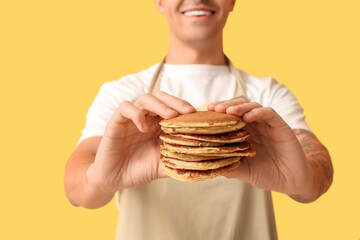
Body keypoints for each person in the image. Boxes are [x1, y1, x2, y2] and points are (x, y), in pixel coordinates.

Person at [65, 0, 333, 239]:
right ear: (159, 2)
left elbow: (318, 168)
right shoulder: (123, 96)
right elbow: (76, 187)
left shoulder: (267, 95)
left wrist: (304, 179)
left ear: (232, 1)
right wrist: (100, 181)